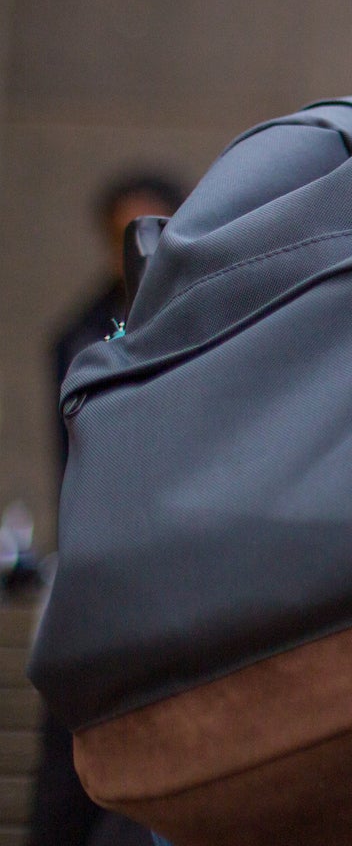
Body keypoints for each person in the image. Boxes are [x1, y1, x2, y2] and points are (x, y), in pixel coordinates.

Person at [33, 173, 186, 846]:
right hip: (104, 565)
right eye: (124, 234)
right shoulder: (84, 335)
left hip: (179, 559)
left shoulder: (208, 311)